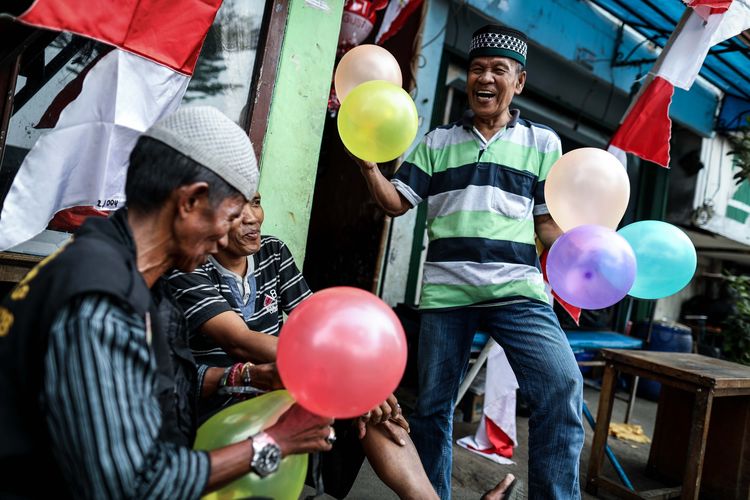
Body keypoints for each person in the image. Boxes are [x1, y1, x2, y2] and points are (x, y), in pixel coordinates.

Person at [0, 106, 335, 499]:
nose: (230, 236)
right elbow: (134, 485)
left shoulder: (126, 269)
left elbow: (138, 381)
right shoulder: (100, 301)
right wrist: (277, 441)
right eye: (229, 217)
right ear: (190, 201)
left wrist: (245, 375)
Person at [349, 25, 585, 499]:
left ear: (518, 83)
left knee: (562, 387)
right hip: (447, 294)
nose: (486, 77)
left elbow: (545, 225)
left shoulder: (544, 143)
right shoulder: (437, 142)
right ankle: (433, 495)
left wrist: (582, 253)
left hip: (518, 292)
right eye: (478, 68)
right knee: (434, 407)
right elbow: (396, 202)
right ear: (467, 78)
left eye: (499, 69)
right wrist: (368, 164)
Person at [168, 195, 439, 499]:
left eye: (256, 202)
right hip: (226, 392)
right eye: (237, 210)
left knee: (373, 403)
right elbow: (240, 341)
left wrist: (364, 380)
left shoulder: (273, 251)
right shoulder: (189, 264)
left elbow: (322, 326)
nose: (252, 218)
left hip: (284, 383)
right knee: (355, 388)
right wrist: (345, 374)